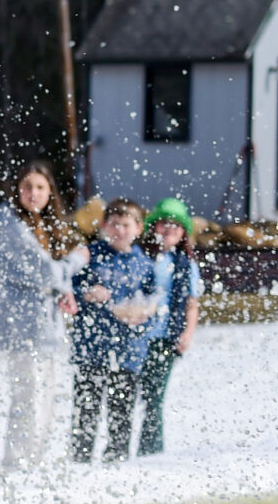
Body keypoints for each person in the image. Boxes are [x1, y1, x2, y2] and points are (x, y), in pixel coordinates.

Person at [0, 162, 81, 469]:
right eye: (28, 186)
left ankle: (34, 459)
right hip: (23, 326)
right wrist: (75, 262)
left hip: (45, 327)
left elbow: (50, 274)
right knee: (28, 397)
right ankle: (17, 462)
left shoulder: (44, 224)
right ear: (17, 190)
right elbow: (44, 270)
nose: (33, 193)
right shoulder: (12, 224)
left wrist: (63, 289)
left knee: (46, 397)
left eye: (40, 187)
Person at [70, 198, 159, 465]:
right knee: (86, 410)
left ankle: (116, 462)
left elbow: (154, 304)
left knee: (121, 412)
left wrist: (142, 318)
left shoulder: (144, 264)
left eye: (126, 225)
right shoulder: (90, 255)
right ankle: (79, 461)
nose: (120, 230)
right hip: (91, 349)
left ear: (138, 229)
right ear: (104, 225)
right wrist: (86, 293)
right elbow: (68, 288)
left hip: (129, 351)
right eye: (115, 224)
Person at [138, 198, 202, 455]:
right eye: (165, 224)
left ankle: (151, 451)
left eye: (176, 226)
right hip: (137, 337)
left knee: (154, 398)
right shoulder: (141, 256)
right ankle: (120, 450)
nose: (169, 230)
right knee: (130, 395)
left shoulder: (187, 265)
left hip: (166, 337)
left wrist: (187, 333)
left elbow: (192, 303)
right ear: (154, 226)